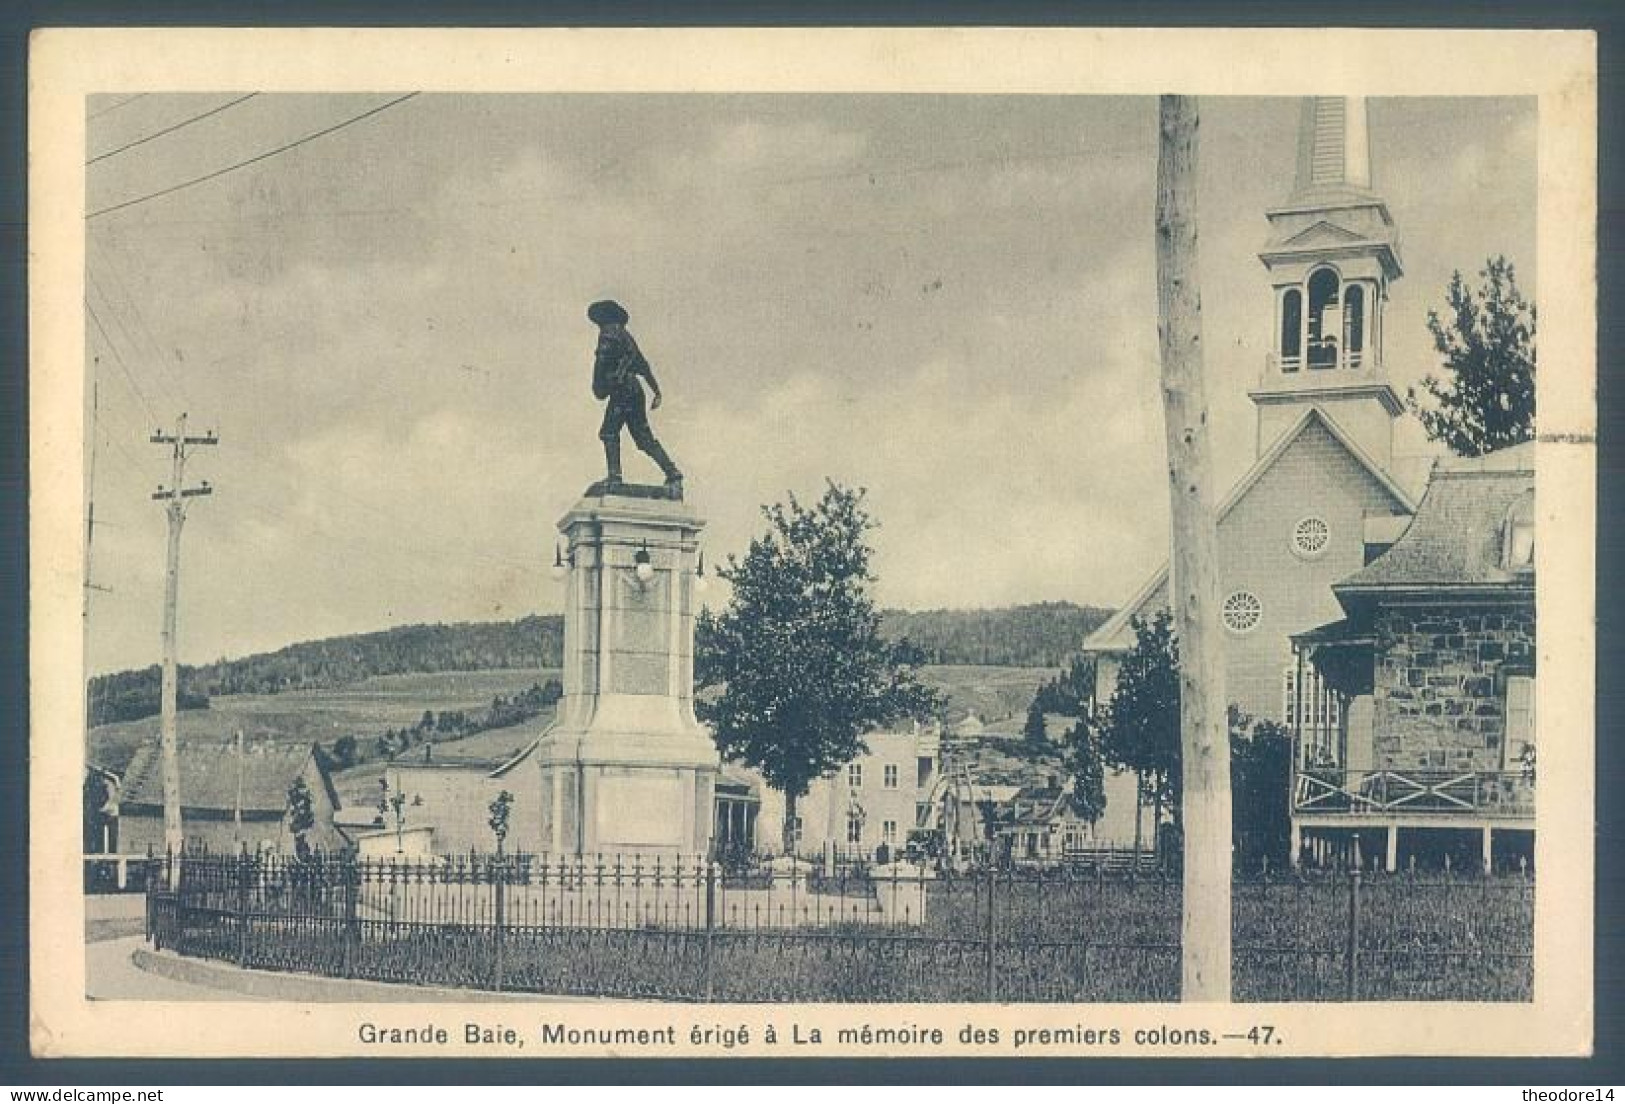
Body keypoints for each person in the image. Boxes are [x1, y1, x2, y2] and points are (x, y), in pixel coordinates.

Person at [587, 299, 683, 496]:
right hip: (635, 390)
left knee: (608, 432)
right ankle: (673, 473)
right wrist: (656, 391)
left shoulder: (608, 333)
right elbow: (643, 365)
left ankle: (615, 477)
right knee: (643, 437)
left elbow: (602, 361)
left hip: (621, 388)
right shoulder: (627, 337)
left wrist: (600, 385)